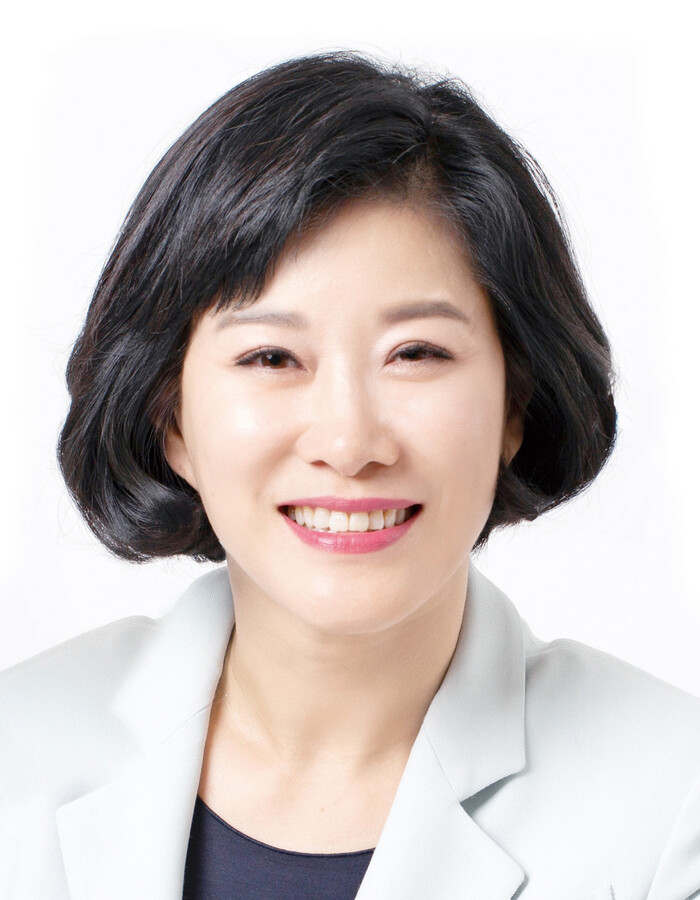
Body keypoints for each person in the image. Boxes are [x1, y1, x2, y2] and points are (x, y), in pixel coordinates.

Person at [1, 50, 699, 900]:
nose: (348, 440)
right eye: (271, 357)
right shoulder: (15, 756)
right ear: (169, 418)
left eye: (416, 353)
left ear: (516, 406)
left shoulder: (673, 802)